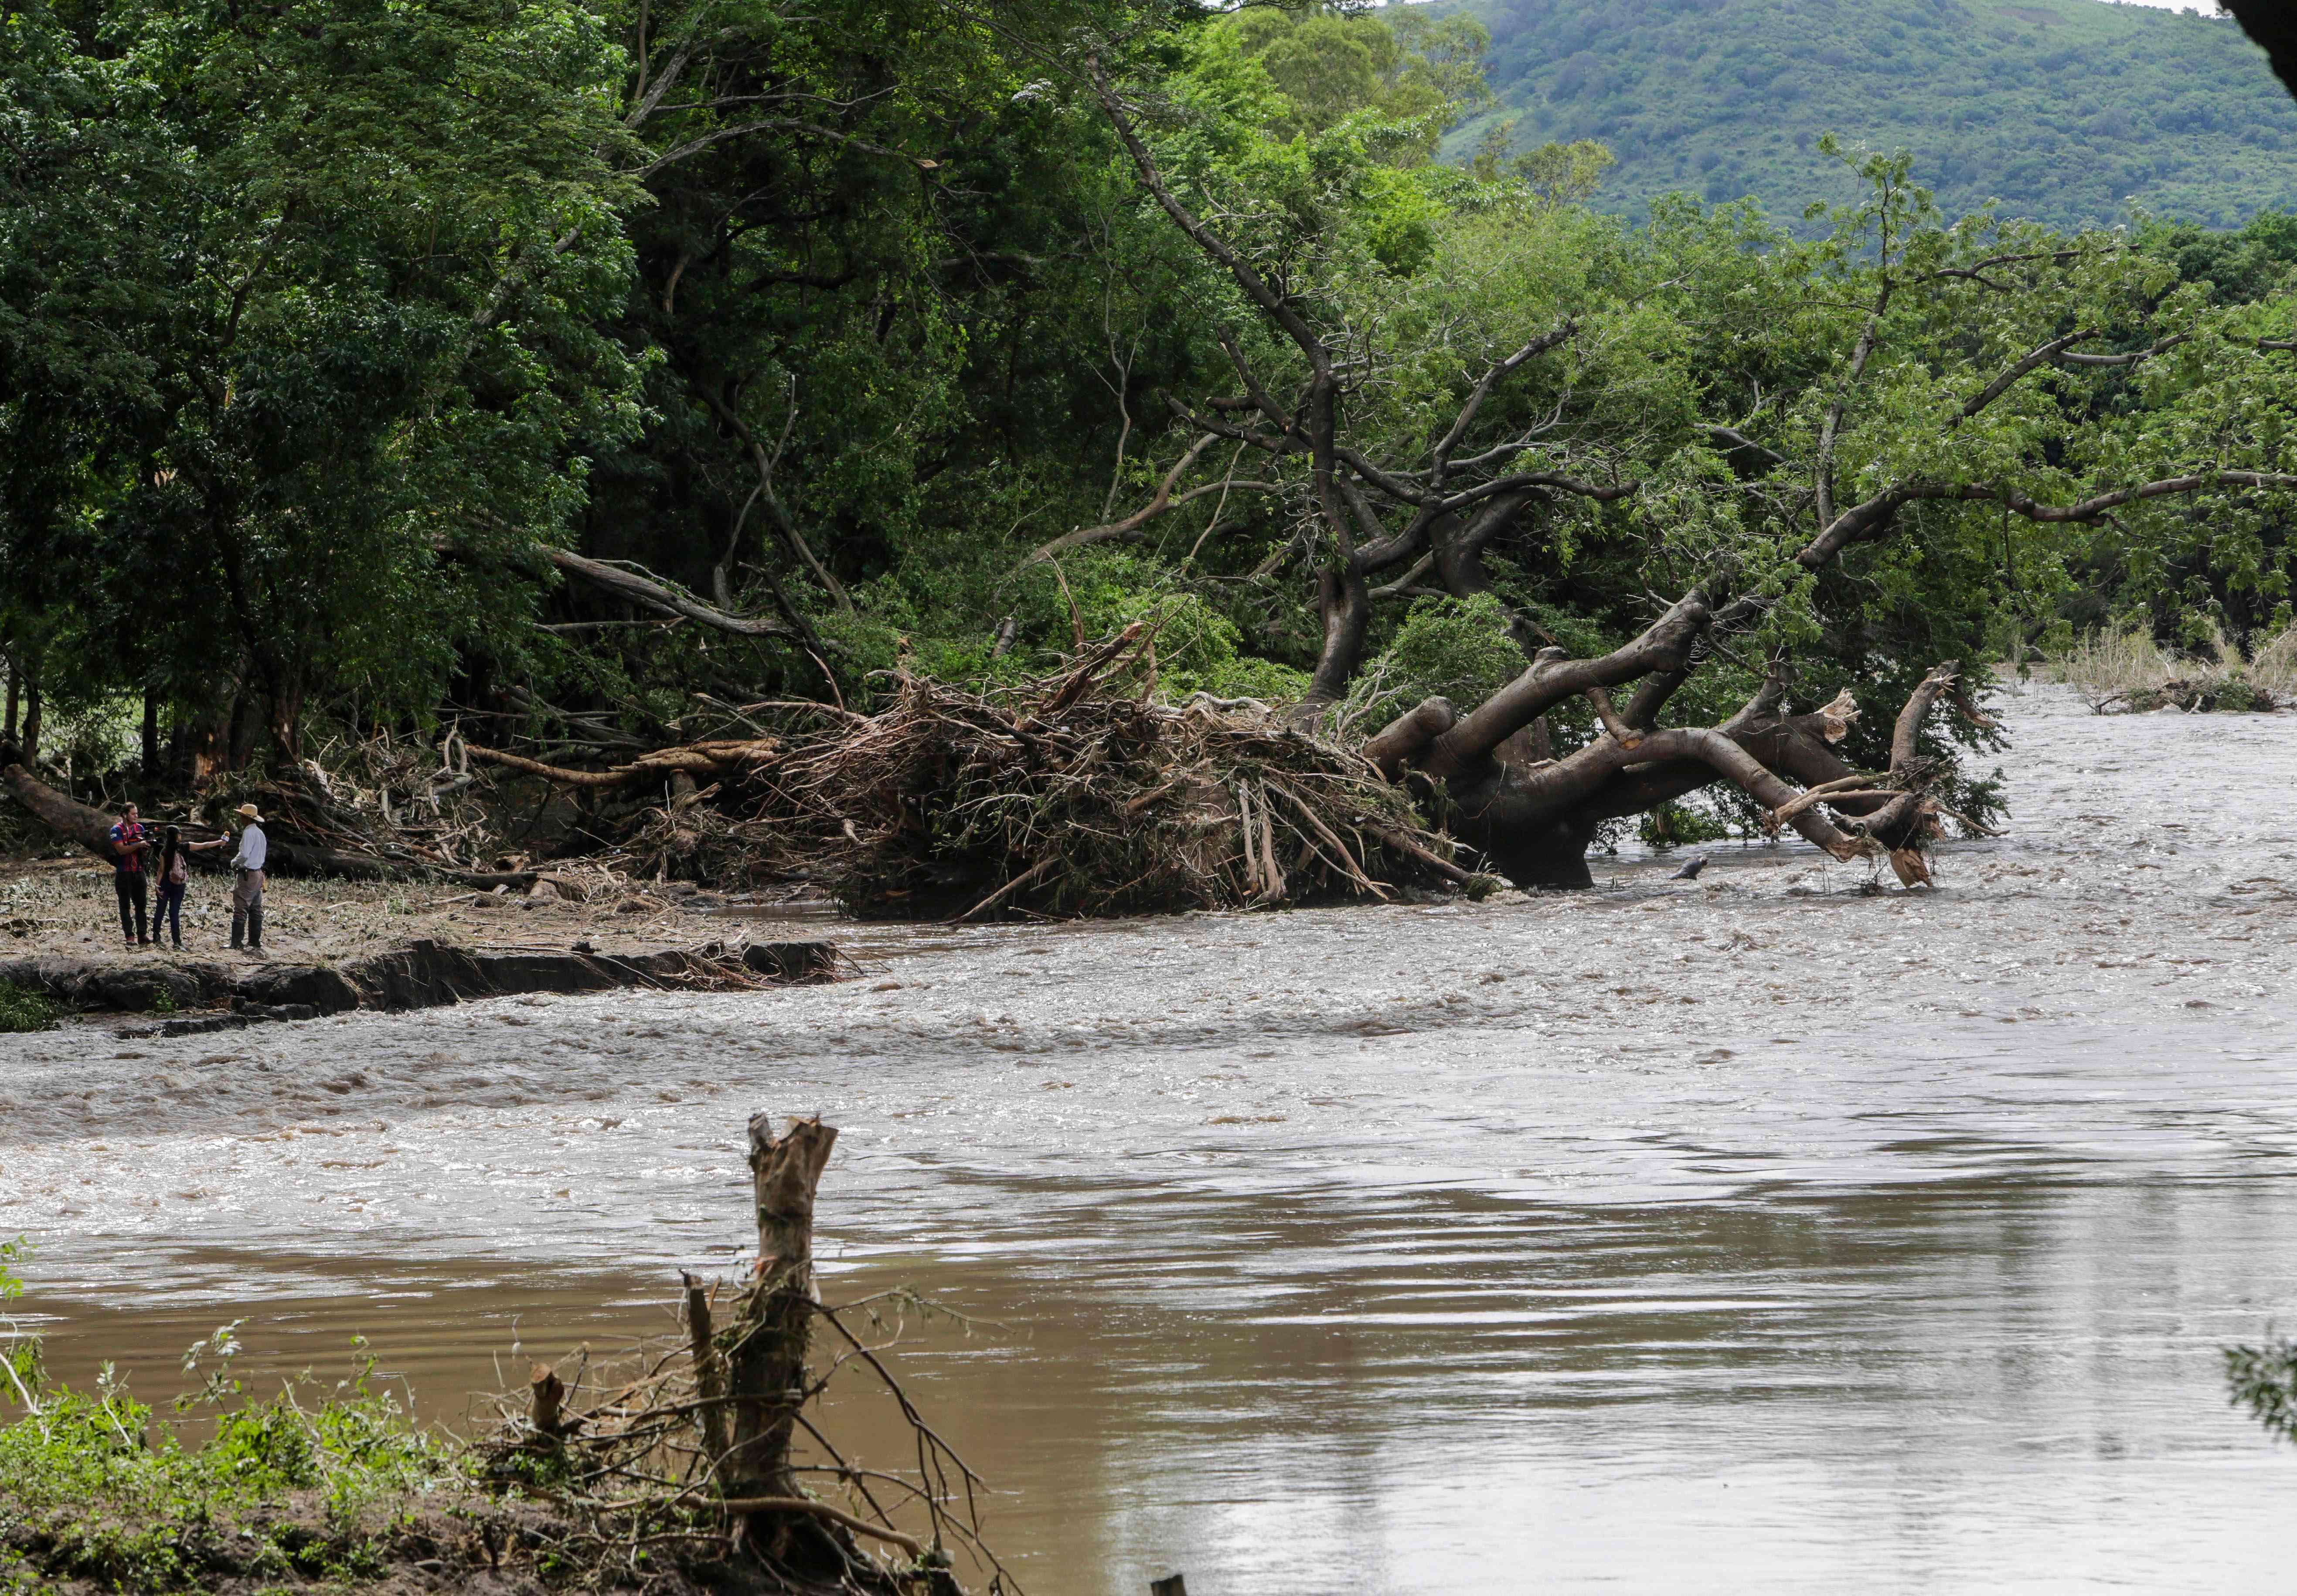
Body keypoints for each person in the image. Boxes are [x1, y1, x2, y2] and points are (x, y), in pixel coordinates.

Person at [152, 825, 228, 951]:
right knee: (174, 912)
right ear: (177, 836)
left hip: (165, 883)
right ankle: (177, 942)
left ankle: (156, 936)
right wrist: (220, 842)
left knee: (160, 910)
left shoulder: (164, 851)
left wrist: (157, 886)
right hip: (179, 884)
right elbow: (204, 845)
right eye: (180, 834)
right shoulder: (185, 847)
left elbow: (161, 871)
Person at [107, 802, 150, 947]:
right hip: (124, 871)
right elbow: (121, 850)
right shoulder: (116, 830)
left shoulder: (140, 829)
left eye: (137, 814)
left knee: (141, 905)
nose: (136, 817)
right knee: (125, 905)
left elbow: (143, 853)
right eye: (133, 814)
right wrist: (138, 845)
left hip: (139, 870)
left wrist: (145, 848)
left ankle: (142, 934)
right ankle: (129, 935)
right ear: (125, 815)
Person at [228, 802, 268, 953]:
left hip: (247, 874)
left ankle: (236, 942)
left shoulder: (248, 832)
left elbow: (244, 854)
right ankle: (254, 941)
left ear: (246, 818)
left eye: (242, 817)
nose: (240, 819)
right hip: (258, 873)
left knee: (241, 906)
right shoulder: (260, 833)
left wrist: (233, 862)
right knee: (256, 908)